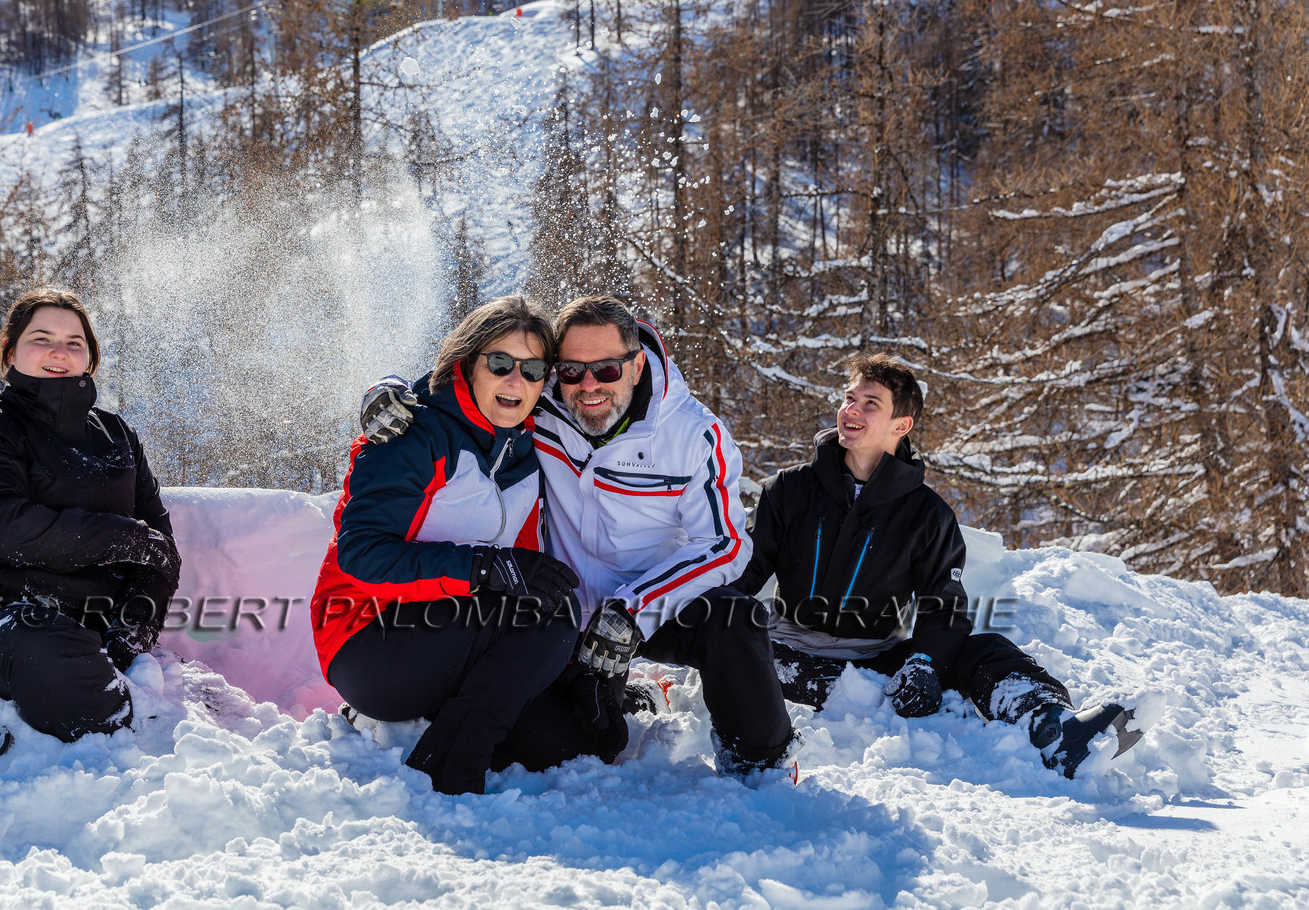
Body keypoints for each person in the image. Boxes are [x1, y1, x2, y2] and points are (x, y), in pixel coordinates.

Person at [363, 294, 794, 778]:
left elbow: (726, 544)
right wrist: (397, 390)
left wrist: (634, 610)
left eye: (607, 370)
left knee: (734, 619)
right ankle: (607, 696)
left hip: (654, 606)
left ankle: (763, 764)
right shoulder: (540, 402)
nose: (589, 385)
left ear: (635, 365)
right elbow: (474, 380)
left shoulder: (692, 435)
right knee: (584, 744)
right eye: (571, 370)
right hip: (559, 617)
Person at [732, 353, 1140, 778]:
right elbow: (742, 573)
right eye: (850, 398)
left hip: (871, 659)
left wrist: (924, 663)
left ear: (900, 425)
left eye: (871, 403)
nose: (851, 410)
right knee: (741, 649)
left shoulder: (927, 514)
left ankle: (1056, 732)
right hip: (786, 654)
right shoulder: (789, 488)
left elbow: (942, 608)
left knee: (986, 650)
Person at [311, 295, 581, 795]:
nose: (515, 381)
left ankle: (439, 730)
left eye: (533, 368)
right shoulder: (414, 432)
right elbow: (362, 554)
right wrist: (483, 568)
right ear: (467, 362)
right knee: (554, 614)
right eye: (500, 363)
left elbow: (518, 573)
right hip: (369, 637)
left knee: (561, 743)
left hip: (454, 636)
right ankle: (447, 770)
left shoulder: (526, 448)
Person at [0, 288, 180, 744]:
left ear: (90, 358)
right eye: (41, 338)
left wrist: (131, 633)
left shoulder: (118, 435)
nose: (58, 352)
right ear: (9, 350)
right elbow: (7, 528)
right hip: (1, 621)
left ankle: (127, 697)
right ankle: (143, 741)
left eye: (74, 342)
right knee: (47, 647)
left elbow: (161, 552)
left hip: (99, 627)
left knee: (80, 657)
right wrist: (120, 537)